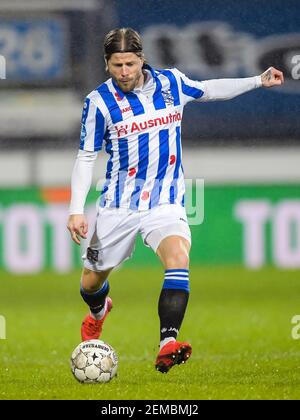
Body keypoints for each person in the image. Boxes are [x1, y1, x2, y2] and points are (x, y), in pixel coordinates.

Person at [67, 28, 284, 373]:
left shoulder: (172, 84)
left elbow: (210, 90)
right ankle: (98, 312)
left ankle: (168, 341)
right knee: (90, 284)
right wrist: (76, 209)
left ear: (142, 59)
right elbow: (86, 157)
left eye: (130, 63)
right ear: (106, 64)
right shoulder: (98, 103)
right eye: (116, 64)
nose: (124, 71)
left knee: (178, 257)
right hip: (118, 206)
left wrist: (258, 80)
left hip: (165, 201)